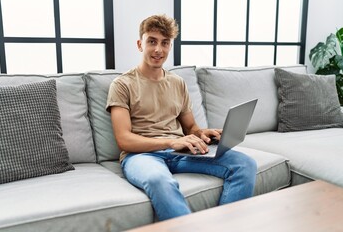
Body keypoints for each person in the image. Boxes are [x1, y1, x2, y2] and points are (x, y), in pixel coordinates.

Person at [106, 14, 257, 221]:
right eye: (152, 41)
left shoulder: (178, 83)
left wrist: (204, 133)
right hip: (141, 156)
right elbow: (124, 139)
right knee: (160, 181)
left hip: (181, 152)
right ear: (140, 44)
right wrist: (171, 142)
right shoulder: (122, 84)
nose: (158, 49)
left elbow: (191, 127)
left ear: (170, 46)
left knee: (245, 164)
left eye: (165, 43)